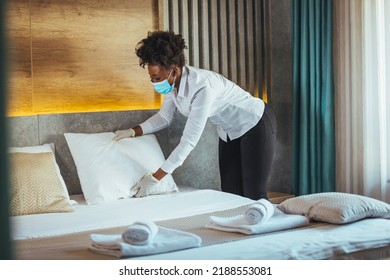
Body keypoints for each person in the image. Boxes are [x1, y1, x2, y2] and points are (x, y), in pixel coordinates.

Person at [113, 30, 277, 200]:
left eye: (157, 77)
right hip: (228, 130)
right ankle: (240, 226)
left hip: (255, 122)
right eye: (151, 78)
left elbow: (188, 142)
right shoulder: (171, 84)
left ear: (174, 71)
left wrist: (155, 178)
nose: (154, 82)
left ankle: (266, 224)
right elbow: (164, 117)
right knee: (231, 192)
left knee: (254, 193)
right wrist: (132, 132)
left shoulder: (201, 87)